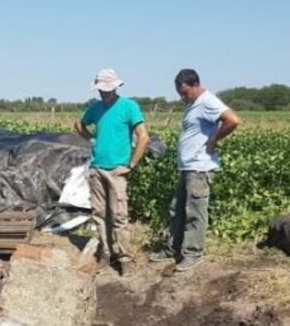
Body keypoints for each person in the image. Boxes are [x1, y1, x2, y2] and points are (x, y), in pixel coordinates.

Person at [150, 68, 241, 272]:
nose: (182, 97)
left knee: (195, 212)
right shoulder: (193, 104)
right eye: (179, 93)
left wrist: (214, 139)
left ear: (195, 85)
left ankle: (193, 254)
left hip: (200, 167)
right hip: (188, 167)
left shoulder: (207, 101)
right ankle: (173, 249)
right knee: (177, 209)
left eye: (185, 92)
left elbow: (233, 120)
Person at [75, 68, 149, 276]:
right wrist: (91, 138)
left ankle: (124, 257)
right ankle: (106, 253)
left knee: (119, 215)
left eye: (107, 90)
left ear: (116, 87)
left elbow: (143, 137)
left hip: (117, 170)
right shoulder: (96, 108)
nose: (104, 93)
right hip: (97, 167)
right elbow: (79, 124)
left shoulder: (129, 107)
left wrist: (131, 165)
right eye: (101, 90)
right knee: (99, 213)